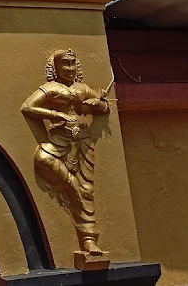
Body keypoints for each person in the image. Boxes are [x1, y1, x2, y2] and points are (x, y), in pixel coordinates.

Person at [21, 49, 110, 257]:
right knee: (43, 158)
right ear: (55, 67)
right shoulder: (50, 88)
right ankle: (70, 186)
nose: (70, 69)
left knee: (87, 189)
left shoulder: (82, 88)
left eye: (72, 64)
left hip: (83, 139)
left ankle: (88, 239)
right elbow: (28, 107)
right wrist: (56, 114)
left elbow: (105, 108)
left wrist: (98, 104)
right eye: (65, 64)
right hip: (59, 138)